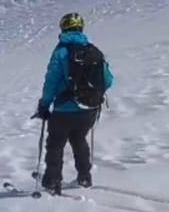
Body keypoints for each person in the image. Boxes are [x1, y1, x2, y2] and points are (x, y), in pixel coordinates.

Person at [33, 12, 115, 194]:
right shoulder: (93, 50)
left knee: (55, 144)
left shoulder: (61, 52)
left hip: (64, 108)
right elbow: (108, 81)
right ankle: (84, 176)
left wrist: (44, 105)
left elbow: (51, 81)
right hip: (89, 108)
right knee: (79, 139)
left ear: (63, 28)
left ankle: (52, 181)